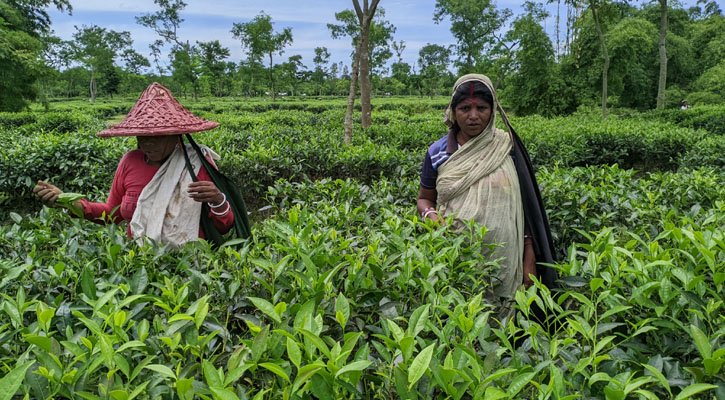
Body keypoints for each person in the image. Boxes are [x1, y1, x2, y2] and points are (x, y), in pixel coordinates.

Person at [416, 74, 557, 321]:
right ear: (452, 111)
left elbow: (525, 210)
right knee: (460, 321)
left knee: (506, 328)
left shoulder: (507, 147)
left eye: (481, 108)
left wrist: (529, 258)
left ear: (493, 110)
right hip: (455, 253)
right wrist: (431, 215)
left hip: (507, 256)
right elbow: (424, 198)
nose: (473, 116)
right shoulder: (437, 153)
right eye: (464, 108)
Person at [33, 82, 234, 248]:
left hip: (189, 264)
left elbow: (224, 227)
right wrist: (69, 203)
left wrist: (218, 200)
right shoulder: (130, 162)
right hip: (139, 261)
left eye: (159, 136)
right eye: (143, 135)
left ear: (177, 135)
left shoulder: (196, 164)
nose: (149, 143)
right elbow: (113, 214)